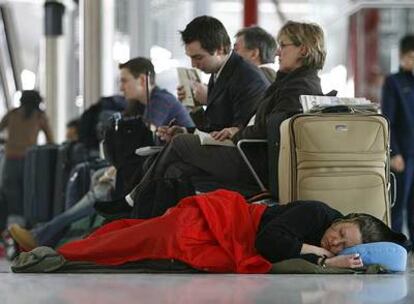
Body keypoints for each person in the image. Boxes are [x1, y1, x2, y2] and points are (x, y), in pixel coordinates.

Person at [128, 20, 325, 206]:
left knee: (180, 144)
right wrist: (195, 123)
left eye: (283, 45)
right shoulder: (288, 83)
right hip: (247, 151)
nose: (277, 53)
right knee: (176, 170)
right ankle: (151, 223)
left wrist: (235, 133)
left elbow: (270, 130)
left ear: (303, 50)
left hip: (253, 160)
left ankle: (135, 200)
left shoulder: (296, 87)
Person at [53, 189, 406, 273]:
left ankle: (78, 248)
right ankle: (67, 253)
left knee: (156, 244)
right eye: (342, 231)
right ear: (345, 218)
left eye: (344, 244)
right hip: (233, 219)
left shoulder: (337, 249)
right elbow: (270, 240)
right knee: (162, 233)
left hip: (238, 242)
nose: (336, 240)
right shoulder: (316, 214)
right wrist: (321, 256)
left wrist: (332, 260)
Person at [172, 15, 269, 133]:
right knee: (175, 138)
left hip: (237, 148)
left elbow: (239, 132)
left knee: (177, 144)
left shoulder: (247, 78)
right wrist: (186, 129)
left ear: (220, 49)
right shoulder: (219, 72)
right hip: (222, 145)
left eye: (198, 57)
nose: (193, 64)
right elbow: (212, 126)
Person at [0, 90, 54, 226]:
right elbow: (50, 140)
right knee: (29, 191)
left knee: (11, 193)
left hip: (11, 158)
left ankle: (14, 226)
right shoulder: (39, 116)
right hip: (30, 160)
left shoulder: (12, 114)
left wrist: (6, 141)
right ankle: (29, 225)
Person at [381, 35, 414, 241]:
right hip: (403, 155)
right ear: (402, 57)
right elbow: (388, 120)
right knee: (399, 204)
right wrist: (394, 152)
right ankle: (397, 245)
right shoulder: (393, 82)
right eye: (411, 56)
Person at [119, 57, 194, 129]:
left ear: (143, 80)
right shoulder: (139, 103)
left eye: (124, 81)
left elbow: (145, 134)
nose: (121, 88)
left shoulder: (162, 100)